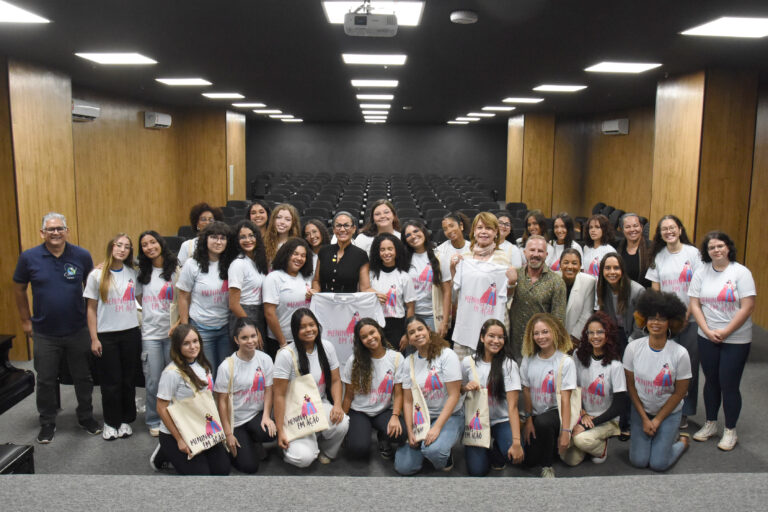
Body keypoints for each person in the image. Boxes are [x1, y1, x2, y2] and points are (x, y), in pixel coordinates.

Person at [13, 212, 99, 443]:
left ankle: (86, 416)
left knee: (83, 377)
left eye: (60, 228)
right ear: (42, 233)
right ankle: (47, 422)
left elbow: (91, 290)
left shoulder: (81, 255)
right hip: (44, 332)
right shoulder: (29, 258)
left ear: (67, 231)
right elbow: (19, 289)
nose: (55, 233)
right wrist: (25, 321)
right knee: (46, 379)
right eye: (50, 229)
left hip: (77, 329)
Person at [689, 231, 756, 451]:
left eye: (720, 246)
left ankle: (730, 430)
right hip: (707, 335)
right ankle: (710, 424)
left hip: (735, 338)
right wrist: (707, 330)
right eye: (711, 247)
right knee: (711, 381)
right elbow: (695, 304)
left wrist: (726, 331)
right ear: (707, 251)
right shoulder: (701, 271)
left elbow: (747, 307)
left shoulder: (741, 272)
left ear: (728, 247)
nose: (716, 250)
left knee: (729, 383)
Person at [624, 290, 691, 472]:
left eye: (662, 319)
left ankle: (682, 442)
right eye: (652, 318)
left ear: (671, 322)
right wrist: (645, 419)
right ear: (644, 319)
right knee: (638, 461)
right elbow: (631, 386)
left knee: (658, 464)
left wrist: (658, 420)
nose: (656, 323)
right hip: (641, 412)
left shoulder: (680, 354)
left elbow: (679, 393)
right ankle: (658, 438)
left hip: (668, 413)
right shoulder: (632, 349)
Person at [273, 309, 349, 467]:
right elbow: (279, 395)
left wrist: (337, 405)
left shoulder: (326, 347)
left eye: (311, 325)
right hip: (294, 411)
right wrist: (280, 430)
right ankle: (289, 448)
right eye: (302, 327)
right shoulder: (286, 355)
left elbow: (335, 380)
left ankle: (325, 449)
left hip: (319, 404)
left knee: (342, 422)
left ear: (317, 325)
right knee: (304, 459)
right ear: (295, 331)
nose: (308, 330)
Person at [150, 324, 230, 475]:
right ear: (177, 347)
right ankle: (164, 452)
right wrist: (179, 439)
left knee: (222, 470)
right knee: (202, 476)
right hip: (177, 431)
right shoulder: (171, 373)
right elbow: (161, 408)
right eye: (186, 343)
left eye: (195, 341)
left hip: (199, 425)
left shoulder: (204, 365)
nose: (193, 346)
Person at [84, 233, 142, 440]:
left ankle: (126, 420)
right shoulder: (96, 275)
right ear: (111, 247)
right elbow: (91, 309)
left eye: (127, 247)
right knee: (110, 382)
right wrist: (94, 338)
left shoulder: (132, 274)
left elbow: (142, 299)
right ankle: (111, 421)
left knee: (128, 380)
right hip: (106, 335)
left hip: (130, 333)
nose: (122, 249)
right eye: (119, 245)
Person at [646, 214, 702, 428]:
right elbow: (656, 289)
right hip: (668, 320)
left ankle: (686, 411)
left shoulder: (693, 253)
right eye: (664, 229)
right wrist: (662, 315)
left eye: (672, 227)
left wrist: (689, 312)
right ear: (660, 234)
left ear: (680, 229)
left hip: (691, 318)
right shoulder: (659, 256)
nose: (668, 232)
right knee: (666, 366)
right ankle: (666, 407)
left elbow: (699, 284)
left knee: (689, 366)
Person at [394, 316, 464, 475]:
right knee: (403, 467)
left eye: (420, 329)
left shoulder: (447, 355)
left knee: (435, 451)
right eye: (412, 332)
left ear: (428, 331)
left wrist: (437, 428)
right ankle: (427, 449)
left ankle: (439, 451)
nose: (417, 334)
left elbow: (454, 395)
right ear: (409, 340)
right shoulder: (408, 362)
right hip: (421, 418)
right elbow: (407, 400)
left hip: (449, 416)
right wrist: (410, 431)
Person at [562, 312, 627, 466]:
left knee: (580, 439)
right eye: (591, 332)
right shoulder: (578, 355)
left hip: (606, 419)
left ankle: (602, 446)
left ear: (608, 335)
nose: (595, 337)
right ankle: (588, 444)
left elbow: (619, 406)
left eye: (600, 332)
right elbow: (575, 388)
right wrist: (582, 413)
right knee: (569, 459)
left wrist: (589, 424)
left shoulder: (615, 365)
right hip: (583, 414)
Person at [461, 319, 524, 476]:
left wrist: (516, 442)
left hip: (501, 420)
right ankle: (482, 449)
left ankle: (496, 449)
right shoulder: (468, 362)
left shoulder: (509, 365)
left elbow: (513, 406)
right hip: (477, 421)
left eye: (501, 337)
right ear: (482, 338)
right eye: (491, 336)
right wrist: (465, 388)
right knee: (477, 471)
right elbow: (458, 390)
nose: (496, 341)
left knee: (513, 456)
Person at [214, 318, 276, 473]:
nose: (250, 341)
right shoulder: (226, 367)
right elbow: (221, 402)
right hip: (236, 421)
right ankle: (239, 443)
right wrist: (228, 433)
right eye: (244, 338)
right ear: (236, 340)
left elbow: (269, 389)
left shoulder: (265, 359)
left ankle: (252, 440)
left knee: (271, 432)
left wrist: (267, 416)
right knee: (249, 467)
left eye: (253, 336)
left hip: (256, 415)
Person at [450, 212, 516, 360]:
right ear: (473, 231)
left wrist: (512, 283)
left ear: (495, 233)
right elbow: (457, 289)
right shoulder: (465, 257)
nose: (484, 232)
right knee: (463, 369)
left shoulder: (502, 259)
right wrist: (453, 269)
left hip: (493, 322)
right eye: (480, 228)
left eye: (489, 228)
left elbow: (508, 295)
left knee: (491, 367)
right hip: (467, 322)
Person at [341, 318, 407, 459]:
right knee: (358, 450)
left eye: (372, 332)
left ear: (379, 332)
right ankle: (357, 433)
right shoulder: (354, 361)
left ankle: (383, 437)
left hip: (383, 410)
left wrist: (395, 416)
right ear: (360, 341)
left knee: (402, 434)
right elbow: (348, 395)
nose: (370, 338)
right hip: (359, 411)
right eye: (364, 337)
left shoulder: (396, 358)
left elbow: (399, 393)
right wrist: (342, 424)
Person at [520, 313, 575, 478]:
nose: (540, 337)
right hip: (536, 414)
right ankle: (549, 447)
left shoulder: (566, 362)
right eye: (536, 333)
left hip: (556, 413)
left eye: (545, 332)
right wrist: (528, 420)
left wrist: (566, 431)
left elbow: (565, 399)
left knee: (544, 423)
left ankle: (548, 466)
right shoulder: (528, 359)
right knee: (529, 461)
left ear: (554, 332)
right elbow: (527, 391)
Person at [135, 230, 178, 437]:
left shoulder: (176, 269)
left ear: (160, 243)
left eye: (153, 242)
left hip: (172, 333)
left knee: (174, 378)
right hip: (150, 335)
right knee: (153, 380)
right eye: (144, 244)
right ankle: (154, 419)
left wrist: (178, 324)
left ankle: (174, 417)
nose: (150, 247)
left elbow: (182, 300)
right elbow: (138, 298)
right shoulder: (141, 272)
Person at [177, 221, 235, 371]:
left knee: (225, 372)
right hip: (201, 328)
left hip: (225, 327)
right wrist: (186, 327)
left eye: (223, 238)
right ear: (205, 239)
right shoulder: (192, 264)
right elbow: (183, 296)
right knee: (207, 372)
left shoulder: (232, 264)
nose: (218, 242)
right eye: (214, 237)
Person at [508, 235, 567, 362]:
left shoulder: (556, 282)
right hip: (514, 347)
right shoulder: (515, 275)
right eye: (532, 250)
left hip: (540, 349)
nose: (536, 254)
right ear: (525, 252)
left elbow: (558, 320)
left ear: (546, 254)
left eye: (540, 251)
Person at [263, 238, 314, 358]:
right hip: (281, 341)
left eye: (303, 255)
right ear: (286, 254)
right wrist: (283, 343)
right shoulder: (274, 277)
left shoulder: (306, 277)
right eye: (295, 254)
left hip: (304, 338)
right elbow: (269, 313)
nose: (299, 258)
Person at [402, 220, 452, 336]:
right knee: (413, 353)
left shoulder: (440, 256)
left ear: (423, 231)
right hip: (410, 315)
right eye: (408, 235)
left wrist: (444, 322)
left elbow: (447, 291)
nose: (413, 236)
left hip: (432, 315)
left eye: (416, 231)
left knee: (433, 352)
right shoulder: (403, 259)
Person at [369, 233, 416, 351]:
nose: (386, 253)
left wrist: (407, 333)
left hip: (397, 326)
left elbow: (410, 308)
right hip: (375, 324)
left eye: (390, 249)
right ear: (377, 252)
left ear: (396, 251)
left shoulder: (404, 277)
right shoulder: (371, 275)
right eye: (382, 250)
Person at [228, 220, 269, 340]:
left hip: (260, 313)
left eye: (251, 235)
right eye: (242, 237)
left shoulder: (258, 261)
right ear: (237, 241)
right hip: (244, 315)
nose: (248, 240)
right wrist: (252, 329)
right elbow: (234, 305)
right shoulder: (238, 264)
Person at [312, 211, 371, 293]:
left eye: (346, 225)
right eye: (338, 226)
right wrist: (315, 291)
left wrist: (378, 294)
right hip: (325, 302)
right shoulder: (324, 251)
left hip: (348, 304)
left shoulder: (361, 255)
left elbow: (365, 288)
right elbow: (316, 281)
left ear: (353, 229)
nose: (342, 229)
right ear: (333, 229)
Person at [558, 248, 596, 342]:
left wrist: (573, 339)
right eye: (566, 262)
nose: (570, 267)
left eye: (574, 263)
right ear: (560, 265)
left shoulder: (589, 282)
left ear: (580, 266)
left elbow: (587, 314)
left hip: (576, 340)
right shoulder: (553, 279)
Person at [178, 203, 222, 267]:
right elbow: (180, 269)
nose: (207, 222)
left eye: (211, 220)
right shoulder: (187, 245)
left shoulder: (221, 243)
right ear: (197, 224)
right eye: (203, 219)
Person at [616, 213, 651, 287]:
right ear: (622, 230)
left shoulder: (651, 248)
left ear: (641, 227)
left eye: (635, 226)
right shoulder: (616, 246)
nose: (632, 230)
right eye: (627, 227)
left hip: (644, 294)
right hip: (621, 292)